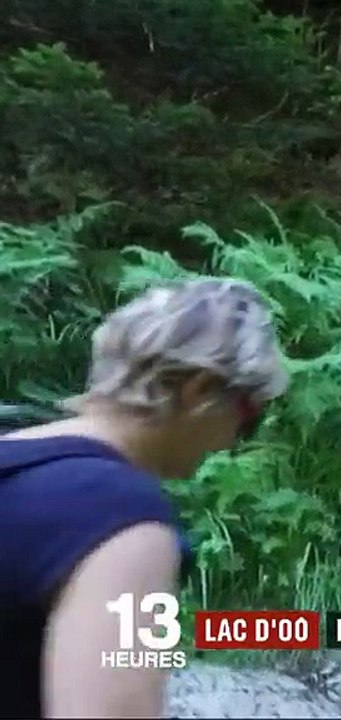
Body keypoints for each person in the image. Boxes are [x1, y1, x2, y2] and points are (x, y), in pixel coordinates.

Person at [0, 279, 290, 718]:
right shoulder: (124, 520)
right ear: (199, 390)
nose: (234, 441)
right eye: (248, 414)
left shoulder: (13, 457)